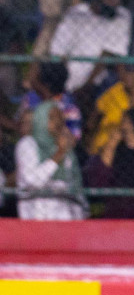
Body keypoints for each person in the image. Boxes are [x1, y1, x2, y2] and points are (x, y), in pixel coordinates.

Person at [47, 0, 131, 94]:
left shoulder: (121, 16)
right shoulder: (75, 14)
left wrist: (86, 87)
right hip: (68, 76)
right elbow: (58, 52)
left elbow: (108, 54)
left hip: (97, 81)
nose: (115, 3)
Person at [15, 90, 87, 221]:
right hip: (36, 214)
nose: (59, 122)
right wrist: (58, 155)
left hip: (65, 217)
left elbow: (74, 182)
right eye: (53, 118)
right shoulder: (28, 144)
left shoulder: (62, 145)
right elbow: (33, 181)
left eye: (60, 117)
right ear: (42, 120)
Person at [84, 105, 134, 218]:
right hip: (114, 215)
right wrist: (112, 143)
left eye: (129, 123)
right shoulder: (116, 151)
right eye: (123, 123)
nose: (125, 127)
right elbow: (97, 181)